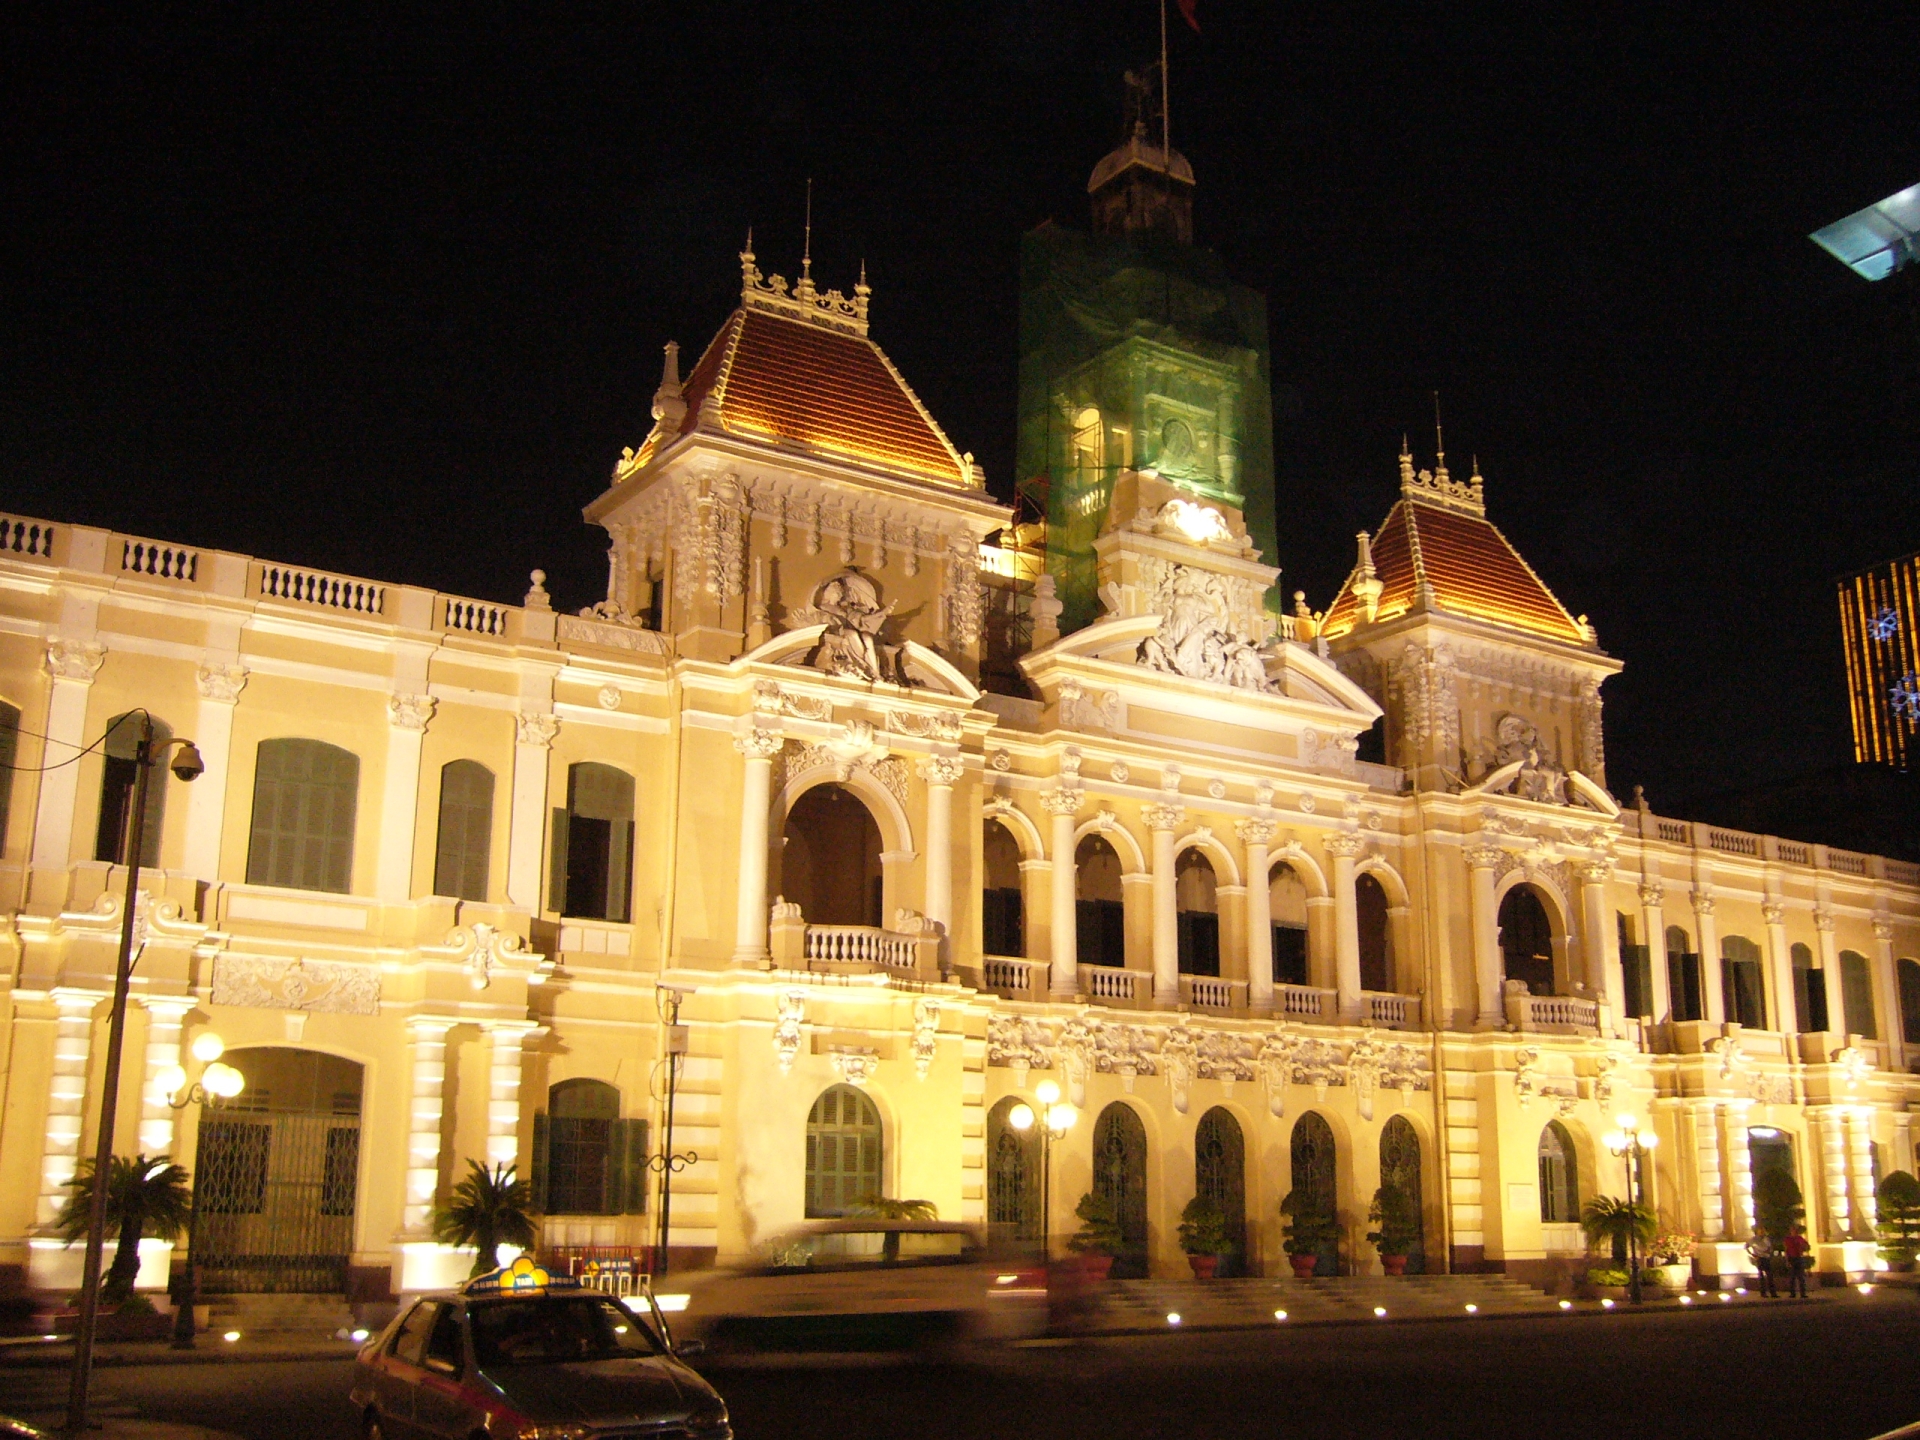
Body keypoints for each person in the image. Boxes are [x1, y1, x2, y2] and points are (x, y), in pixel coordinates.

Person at [1782, 1225, 1811, 1298]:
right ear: (1790, 1232)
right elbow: (1786, 1250)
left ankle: (1803, 1293)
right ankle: (1792, 1293)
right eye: (1792, 1231)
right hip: (1791, 1258)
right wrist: (1787, 1260)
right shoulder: (1787, 1239)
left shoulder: (1799, 1238)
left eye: (1795, 1231)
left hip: (1799, 1258)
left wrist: (1803, 1247)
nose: (1794, 1232)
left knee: (1801, 1277)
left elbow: (1806, 1246)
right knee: (1792, 1277)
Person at [1746, 1230, 1777, 1297]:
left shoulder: (1766, 1239)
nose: (1762, 1233)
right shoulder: (1753, 1239)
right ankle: (1763, 1293)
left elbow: (1770, 1247)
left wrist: (1770, 1252)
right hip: (1760, 1258)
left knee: (1770, 1275)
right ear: (1757, 1232)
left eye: (1763, 1231)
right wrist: (1753, 1255)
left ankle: (1773, 1293)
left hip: (1767, 1258)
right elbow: (1746, 1247)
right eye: (1761, 1231)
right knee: (1761, 1276)